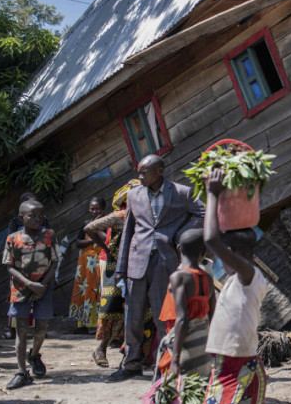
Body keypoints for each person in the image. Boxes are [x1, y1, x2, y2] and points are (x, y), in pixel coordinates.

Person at [108, 155, 205, 382]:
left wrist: (181, 236)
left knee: (165, 318)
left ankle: (165, 366)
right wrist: (121, 268)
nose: (140, 176)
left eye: (145, 172)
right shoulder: (133, 195)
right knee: (132, 317)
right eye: (139, 172)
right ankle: (130, 364)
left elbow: (202, 213)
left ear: (160, 170)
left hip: (166, 262)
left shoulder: (181, 193)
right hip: (137, 262)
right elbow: (128, 231)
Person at [201, 168, 268, 404]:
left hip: (240, 364)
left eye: (224, 255)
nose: (220, 261)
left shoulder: (248, 275)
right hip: (227, 361)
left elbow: (210, 240)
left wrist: (212, 194)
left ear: (237, 254)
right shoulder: (235, 280)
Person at [85, 180, 157, 367]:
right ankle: (101, 349)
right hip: (115, 269)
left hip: (139, 267)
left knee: (141, 310)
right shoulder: (121, 216)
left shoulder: (149, 215)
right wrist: (107, 249)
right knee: (111, 309)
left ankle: (137, 354)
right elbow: (89, 228)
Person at [3, 199, 57, 389]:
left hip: (44, 287)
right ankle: (21, 371)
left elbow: (54, 262)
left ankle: (34, 355)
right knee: (21, 331)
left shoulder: (49, 235)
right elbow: (9, 267)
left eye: (40, 216)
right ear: (21, 218)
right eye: (32, 216)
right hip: (20, 288)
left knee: (41, 329)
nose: (37, 219)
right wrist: (28, 283)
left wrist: (42, 284)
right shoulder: (13, 239)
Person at [156, 228, 216, 379]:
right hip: (201, 341)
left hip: (182, 342)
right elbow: (213, 315)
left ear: (178, 249)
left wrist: (175, 359)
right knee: (199, 384)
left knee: (176, 387)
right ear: (203, 252)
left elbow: (182, 319)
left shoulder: (179, 277)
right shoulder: (207, 279)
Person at [3, 192, 50, 340]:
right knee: (16, 299)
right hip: (20, 266)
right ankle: (12, 329)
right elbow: (11, 241)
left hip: (40, 264)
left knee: (39, 298)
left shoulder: (44, 220)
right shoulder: (15, 222)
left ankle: (39, 328)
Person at [69, 197, 107, 333]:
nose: (94, 211)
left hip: (99, 263)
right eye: (92, 208)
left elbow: (107, 240)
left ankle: (97, 325)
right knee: (85, 290)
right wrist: (92, 238)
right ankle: (83, 325)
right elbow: (78, 242)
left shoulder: (107, 223)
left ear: (103, 209)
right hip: (85, 264)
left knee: (98, 291)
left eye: (97, 208)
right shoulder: (86, 223)